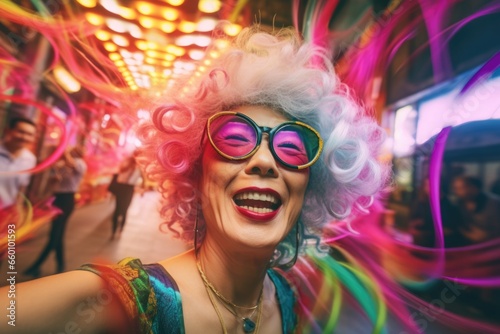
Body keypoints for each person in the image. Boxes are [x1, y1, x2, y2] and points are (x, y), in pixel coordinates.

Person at [4, 26, 496, 334]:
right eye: (236, 139)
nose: (265, 162)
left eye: (291, 147)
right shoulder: (123, 301)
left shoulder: (291, 300)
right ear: (196, 171)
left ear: (312, 186)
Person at [23, 146, 87, 277]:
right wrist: (54, 178)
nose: (72, 152)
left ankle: (36, 266)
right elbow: (52, 179)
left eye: (74, 151)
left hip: (67, 200)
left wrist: (64, 151)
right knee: (58, 234)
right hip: (57, 199)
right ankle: (61, 265)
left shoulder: (80, 164)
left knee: (55, 235)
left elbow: (72, 164)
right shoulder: (63, 164)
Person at [0, 117, 37, 209]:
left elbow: (21, 188)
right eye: (21, 132)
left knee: (11, 225)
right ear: (8, 131)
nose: (24, 137)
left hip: (6, 214)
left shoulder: (30, 159)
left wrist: (17, 209)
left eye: (30, 134)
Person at [452, 175, 500, 244]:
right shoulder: (459, 203)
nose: (458, 192)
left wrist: (487, 235)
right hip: (469, 243)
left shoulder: (495, 203)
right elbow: (458, 223)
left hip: (492, 245)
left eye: (462, 188)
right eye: (456, 188)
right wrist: (467, 233)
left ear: (474, 188)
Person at [108, 152, 145, 240]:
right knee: (118, 210)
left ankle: (120, 229)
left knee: (124, 210)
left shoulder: (139, 167)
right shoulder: (127, 163)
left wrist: (142, 190)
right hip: (121, 187)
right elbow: (119, 172)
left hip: (129, 189)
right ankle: (114, 231)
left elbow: (143, 180)